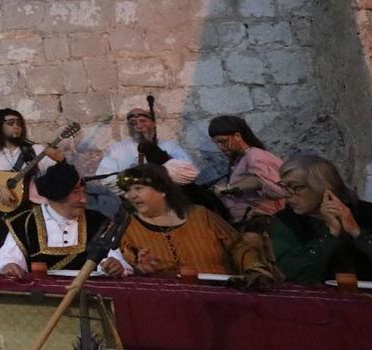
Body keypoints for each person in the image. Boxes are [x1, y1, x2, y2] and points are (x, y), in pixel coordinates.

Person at [100, 162, 274, 282]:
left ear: (162, 191)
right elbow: (125, 267)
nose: (132, 195)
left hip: (223, 298)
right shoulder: (127, 227)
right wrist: (141, 269)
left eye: (138, 188)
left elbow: (239, 246)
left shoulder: (201, 216)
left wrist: (254, 268)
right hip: (167, 305)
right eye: (128, 191)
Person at [0, 108, 66, 260]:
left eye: (18, 123)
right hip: (3, 213)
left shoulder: (34, 150)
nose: (16, 126)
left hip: (31, 209)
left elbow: (58, 174)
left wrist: (60, 159)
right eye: (10, 123)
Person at [0, 162, 114, 277]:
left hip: (87, 295)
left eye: (84, 192)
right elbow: (7, 258)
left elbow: (112, 257)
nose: (84, 199)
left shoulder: (98, 221)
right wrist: (9, 265)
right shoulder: (24, 223)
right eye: (76, 192)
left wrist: (114, 265)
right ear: (57, 196)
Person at [266, 153, 372, 283]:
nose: (287, 194)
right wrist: (330, 233)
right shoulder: (285, 221)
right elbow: (296, 272)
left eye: (295, 187)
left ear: (322, 187)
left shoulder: (365, 212)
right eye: (284, 186)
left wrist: (357, 232)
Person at [92, 105, 198, 213]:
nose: (138, 126)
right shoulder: (118, 149)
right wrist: (130, 193)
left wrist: (156, 186)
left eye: (143, 121)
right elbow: (106, 176)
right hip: (134, 207)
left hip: (169, 204)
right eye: (133, 123)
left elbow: (189, 173)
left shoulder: (169, 146)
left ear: (153, 124)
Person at [207, 115, 284, 223]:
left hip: (265, 221)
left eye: (223, 141)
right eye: (217, 143)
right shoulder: (241, 159)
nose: (220, 147)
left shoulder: (256, 156)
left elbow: (278, 189)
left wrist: (229, 188)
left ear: (237, 136)